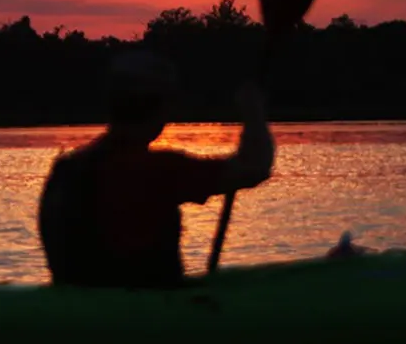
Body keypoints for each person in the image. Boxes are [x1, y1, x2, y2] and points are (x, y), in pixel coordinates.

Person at [38, 49, 274, 287]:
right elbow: (254, 166)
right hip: (142, 309)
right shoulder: (158, 170)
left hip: (77, 306)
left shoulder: (66, 168)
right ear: (161, 107)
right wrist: (253, 111)